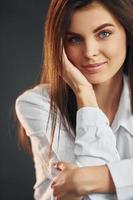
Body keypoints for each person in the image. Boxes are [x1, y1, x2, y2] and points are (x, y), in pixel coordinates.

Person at [15, 0, 133, 199]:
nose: (90, 52)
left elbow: (84, 184)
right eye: (74, 39)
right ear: (58, 44)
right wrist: (83, 92)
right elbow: (90, 196)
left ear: (127, 33)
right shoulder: (38, 104)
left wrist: (97, 179)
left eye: (104, 34)